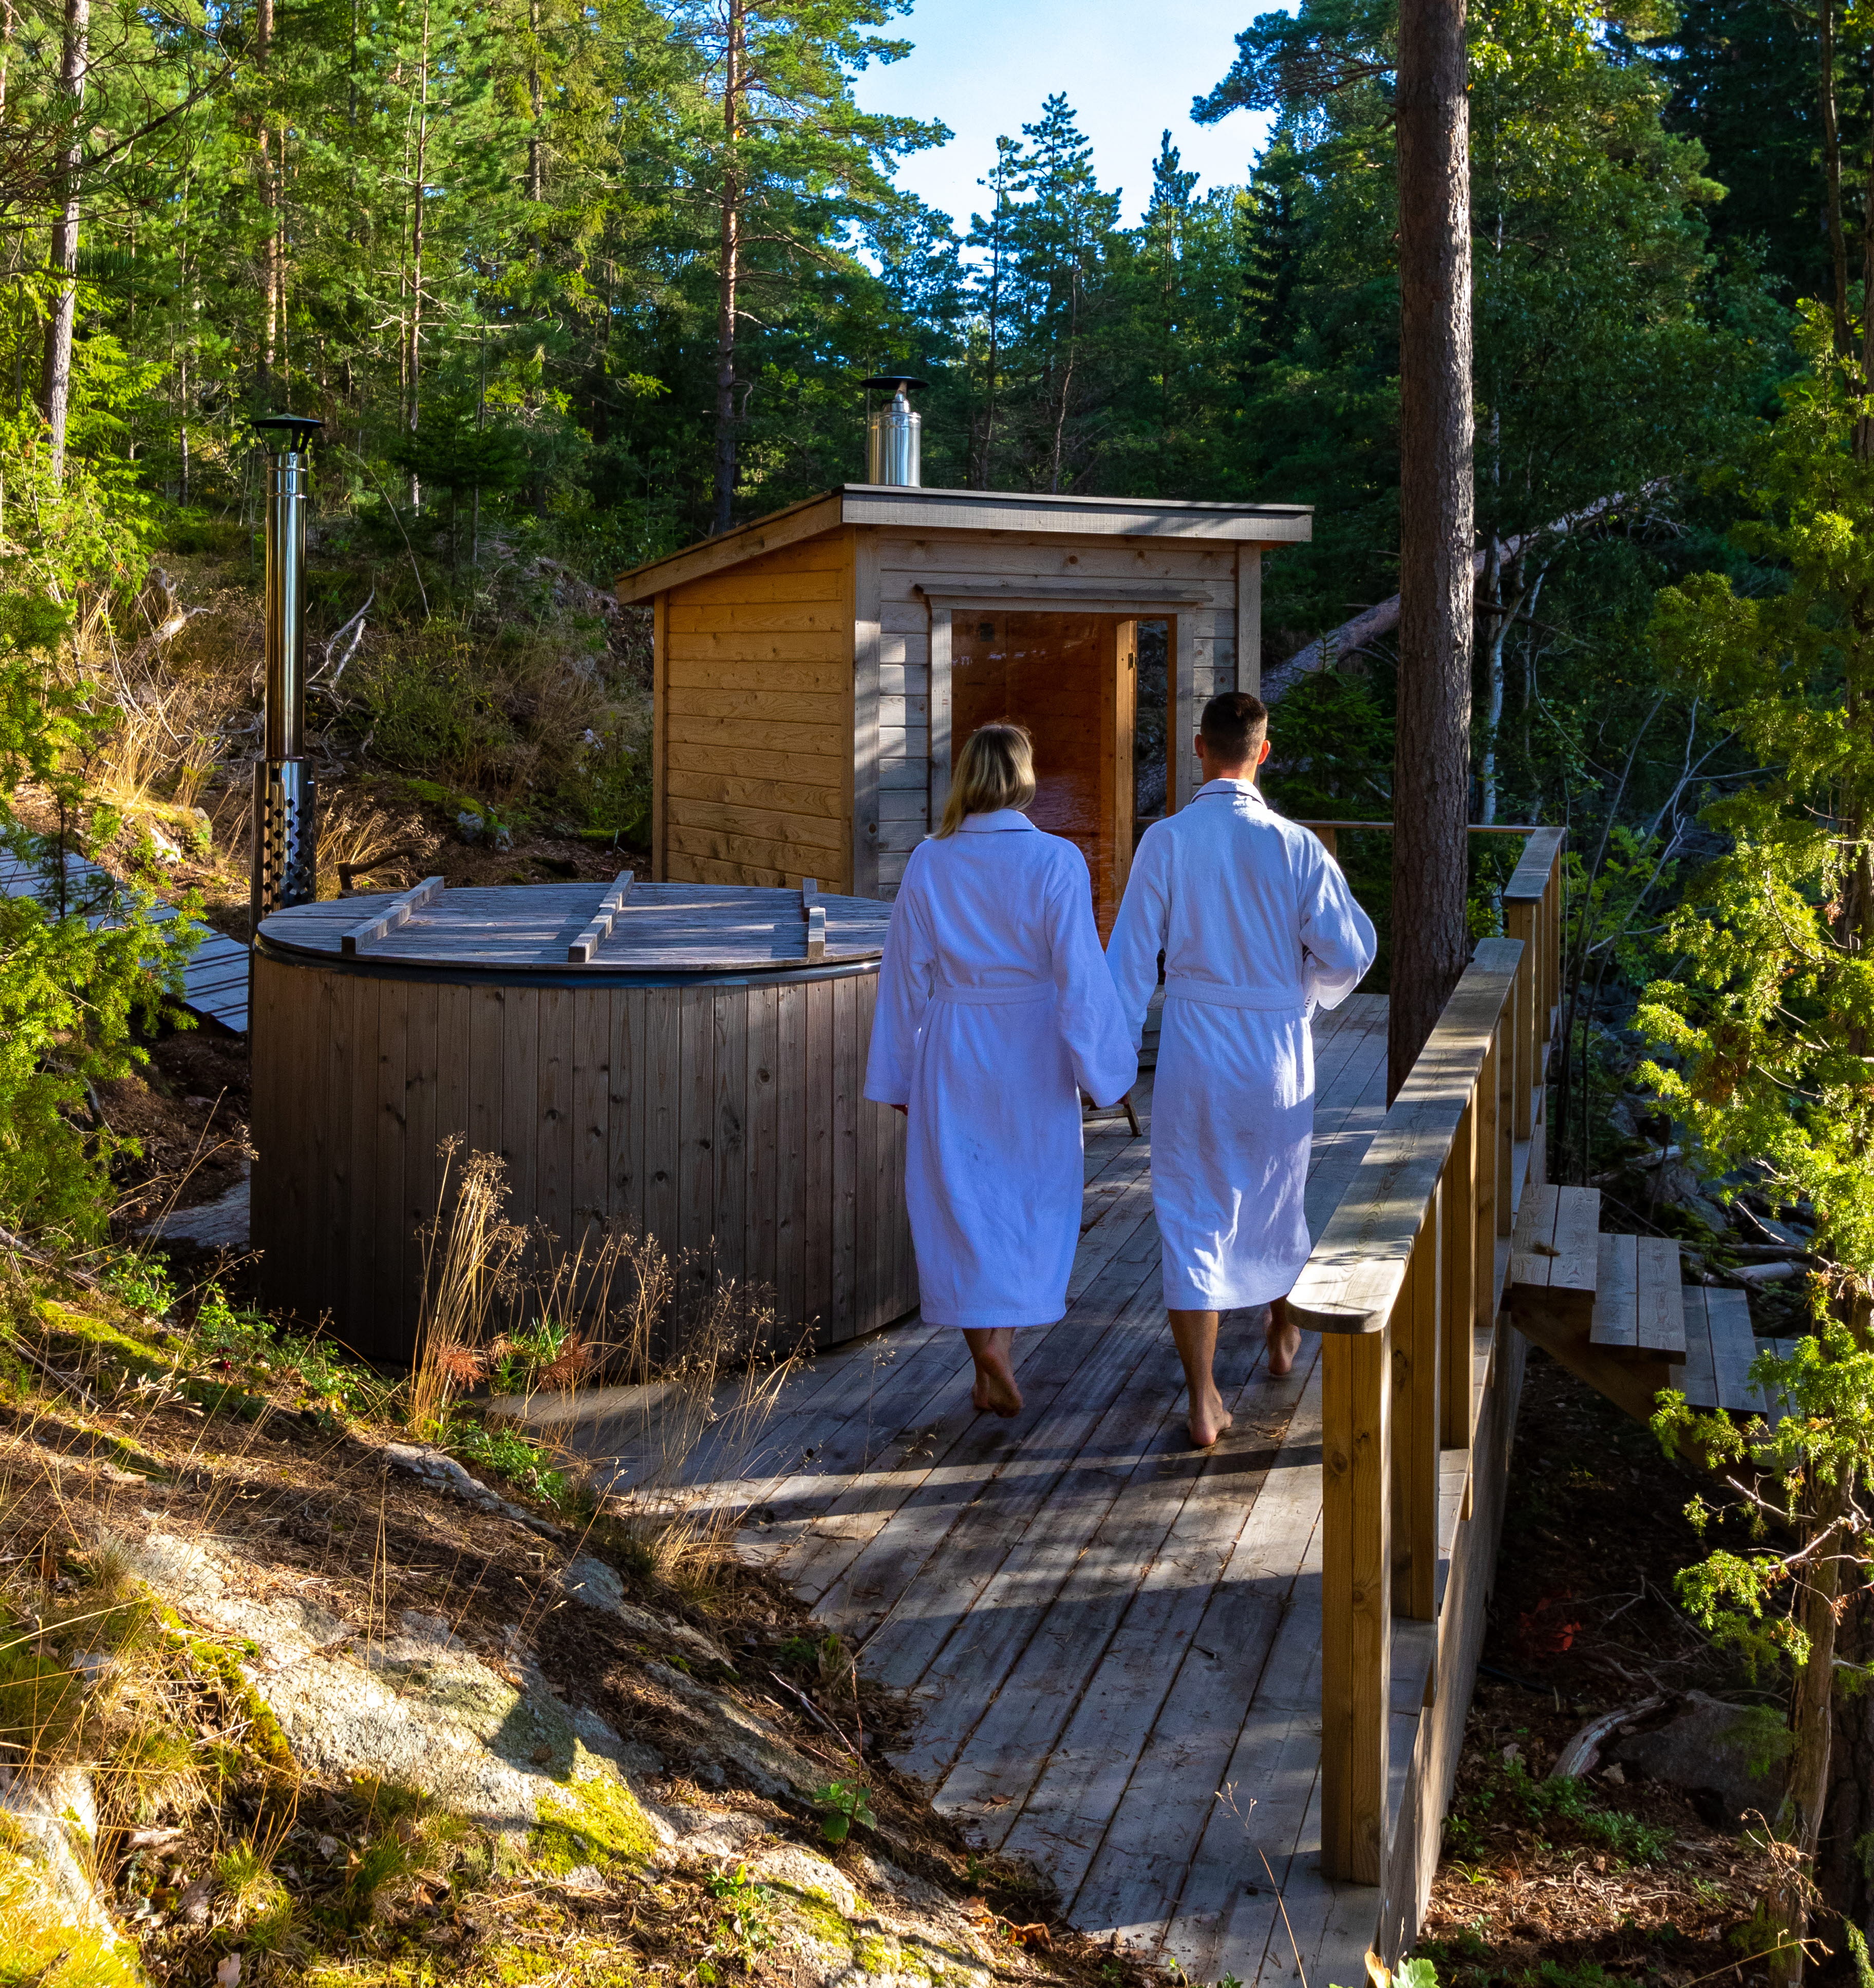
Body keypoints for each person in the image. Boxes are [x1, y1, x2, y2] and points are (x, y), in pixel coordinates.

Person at [1107, 691, 1377, 1447]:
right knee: (1276, 1196)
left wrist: (1110, 1060)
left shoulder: (1167, 840)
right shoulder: (1296, 846)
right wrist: (1309, 994)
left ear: (1199, 749)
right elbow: (1352, 951)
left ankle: (1203, 1398)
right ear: (1263, 751)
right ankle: (1282, 1331)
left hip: (1196, 1043)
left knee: (1192, 1212)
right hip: (1275, 1049)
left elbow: (1129, 962)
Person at [864, 722, 1137, 1418]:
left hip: (953, 1043)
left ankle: (984, 1356)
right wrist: (1105, 1069)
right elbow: (1080, 974)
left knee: (961, 1197)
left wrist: (897, 1075)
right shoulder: (1056, 860)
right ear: (1023, 777)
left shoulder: (931, 860)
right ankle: (1000, 1353)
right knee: (1028, 1196)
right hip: (1032, 1048)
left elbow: (904, 977)